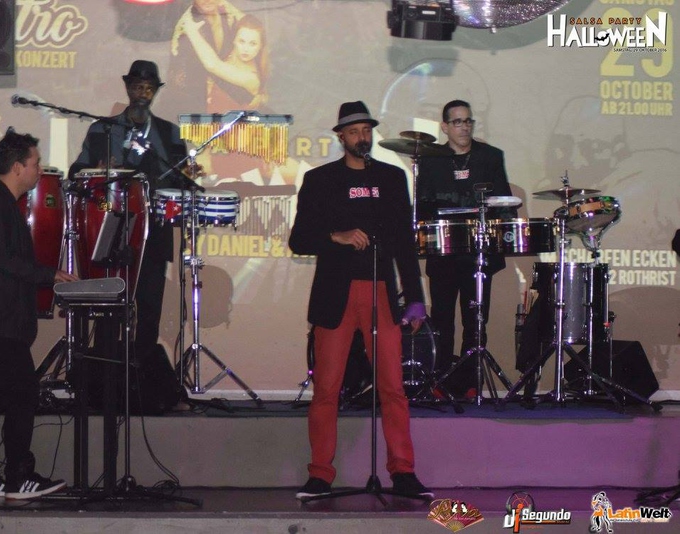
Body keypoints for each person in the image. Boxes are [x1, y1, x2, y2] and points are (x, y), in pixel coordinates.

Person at [289, 101, 432, 500]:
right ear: (340, 137)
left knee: (393, 387)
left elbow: (404, 244)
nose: (361, 137)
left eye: (366, 130)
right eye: (353, 132)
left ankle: (403, 472)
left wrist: (415, 298)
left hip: (380, 291)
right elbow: (298, 240)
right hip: (335, 293)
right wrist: (334, 236)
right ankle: (320, 475)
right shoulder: (320, 179)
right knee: (327, 388)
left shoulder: (391, 177)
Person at [0, 131, 77, 499]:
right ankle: (19, 477)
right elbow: (4, 261)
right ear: (18, 167)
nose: (40, 170)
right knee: (23, 394)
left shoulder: (0, 201)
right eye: (36, 164)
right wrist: (50, 274)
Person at [69, 60, 189, 369]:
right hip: (111, 226)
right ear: (127, 88)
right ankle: (106, 370)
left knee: (149, 306)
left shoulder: (170, 134)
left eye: (149, 89)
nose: (142, 94)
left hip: (154, 231)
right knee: (110, 305)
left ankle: (143, 373)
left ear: (155, 92)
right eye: (137, 87)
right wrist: (96, 169)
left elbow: (181, 182)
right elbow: (76, 172)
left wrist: (187, 177)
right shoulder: (102, 129)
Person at [416, 100, 516, 394]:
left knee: (475, 322)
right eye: (457, 122)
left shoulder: (490, 156)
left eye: (468, 121)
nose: (464, 127)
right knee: (442, 321)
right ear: (445, 127)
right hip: (444, 253)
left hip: (479, 254)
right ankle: (440, 383)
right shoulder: (431, 160)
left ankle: (470, 383)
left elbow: (505, 202)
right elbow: (422, 207)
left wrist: (502, 232)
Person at [164, 0, 244, 118]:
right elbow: (210, 67)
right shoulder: (188, 24)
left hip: (218, 101)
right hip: (188, 104)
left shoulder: (229, 15)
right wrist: (246, 95)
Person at [178, 12, 268, 111]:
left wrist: (191, 30)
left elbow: (212, 65)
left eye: (253, 44)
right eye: (241, 41)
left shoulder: (251, 78)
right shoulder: (230, 52)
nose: (246, 49)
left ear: (261, 46)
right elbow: (226, 7)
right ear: (234, 40)